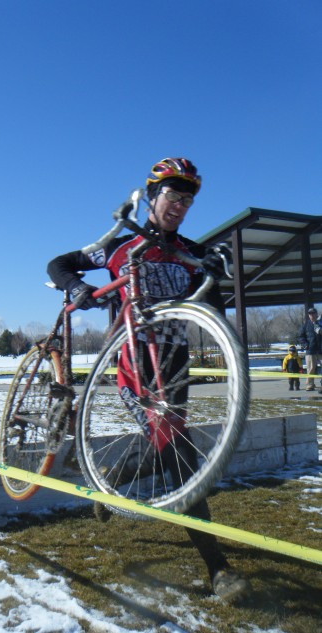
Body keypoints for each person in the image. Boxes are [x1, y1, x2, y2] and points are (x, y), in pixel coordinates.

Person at [47, 157, 251, 602]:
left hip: (175, 366)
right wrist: (77, 287)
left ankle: (106, 480)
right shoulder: (119, 245)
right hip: (133, 364)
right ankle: (220, 570)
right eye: (171, 196)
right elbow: (59, 262)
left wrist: (216, 272)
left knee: (165, 452)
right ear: (152, 197)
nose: (179, 205)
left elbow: (212, 304)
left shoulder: (191, 252)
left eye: (187, 200)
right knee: (181, 459)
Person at [298, 307, 322, 392]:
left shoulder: (320, 323)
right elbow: (301, 336)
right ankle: (310, 385)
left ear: (316, 314)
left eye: (313, 313)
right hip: (310, 350)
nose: (312, 315)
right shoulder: (305, 325)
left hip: (320, 350)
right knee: (311, 368)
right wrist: (305, 345)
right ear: (308, 315)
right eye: (310, 314)